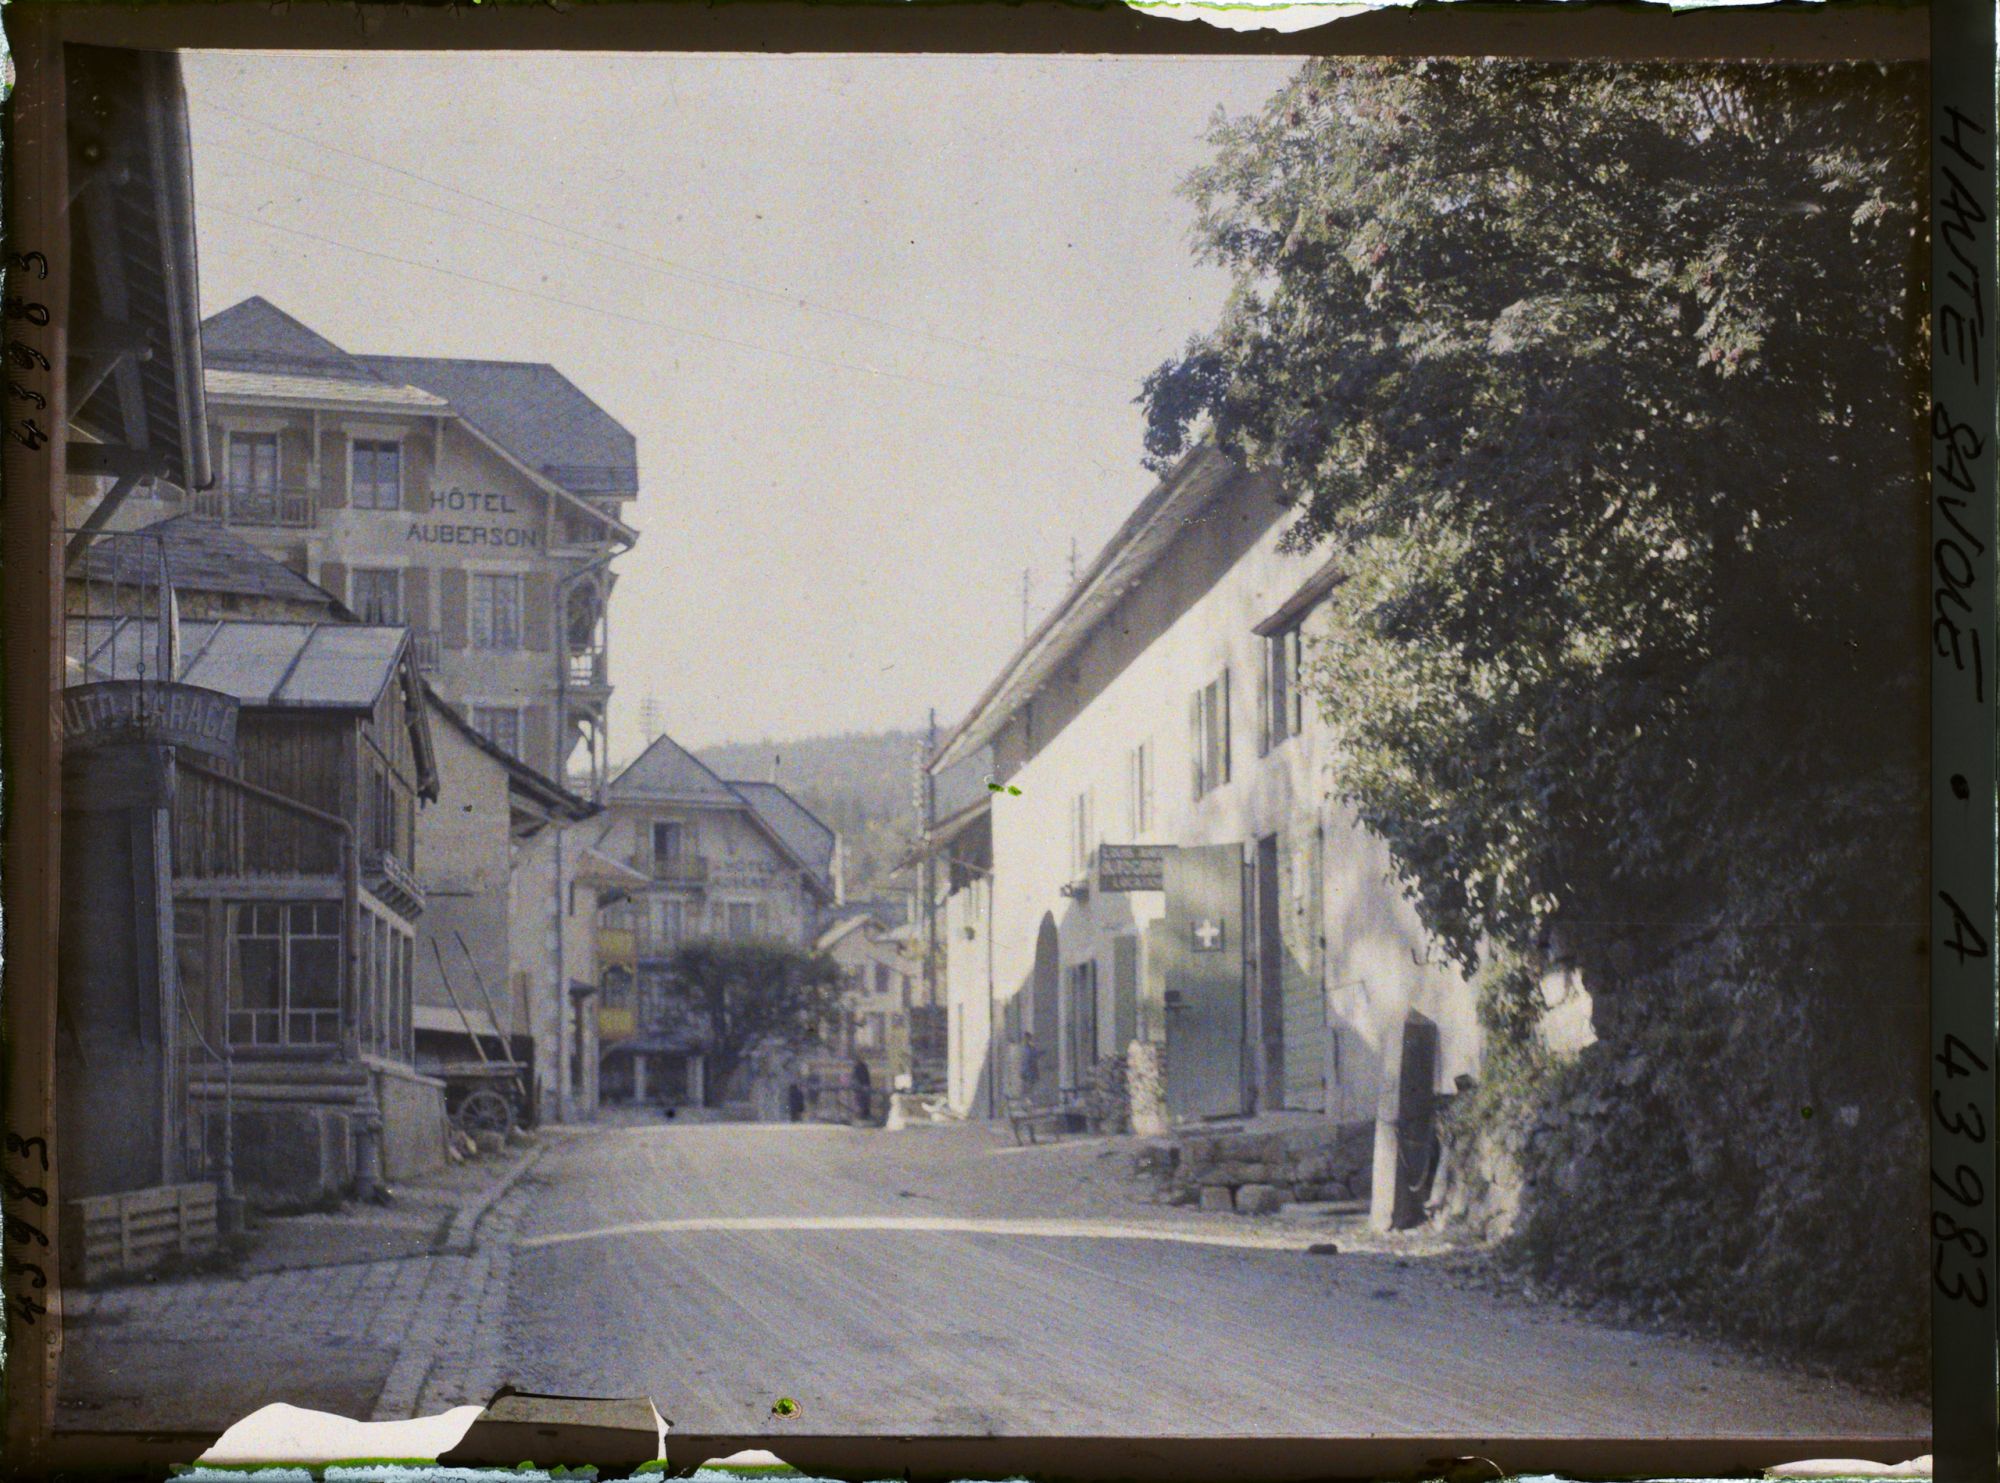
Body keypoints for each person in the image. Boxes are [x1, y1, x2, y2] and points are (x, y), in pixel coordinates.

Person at [1019, 1032, 1042, 1101]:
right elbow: (1023, 1060)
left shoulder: (1032, 1048)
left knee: (1031, 1086)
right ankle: (1026, 1100)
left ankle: (1030, 1100)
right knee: (1026, 1087)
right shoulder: (1023, 1048)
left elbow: (1034, 1056)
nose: (1026, 1040)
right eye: (1025, 1038)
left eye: (1027, 1038)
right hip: (1026, 1070)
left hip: (1031, 1070)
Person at [851, 1056, 873, 1123]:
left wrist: (860, 1086)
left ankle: (862, 1116)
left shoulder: (858, 1067)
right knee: (864, 1103)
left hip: (861, 1088)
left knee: (861, 1103)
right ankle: (864, 1116)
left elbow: (857, 1077)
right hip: (863, 1087)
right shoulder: (863, 1067)